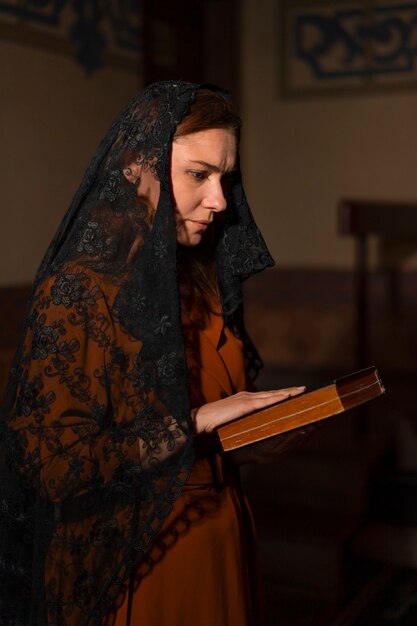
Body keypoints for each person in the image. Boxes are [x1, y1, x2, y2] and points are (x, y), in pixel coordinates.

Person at [0, 81, 306, 626]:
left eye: (225, 179)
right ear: (135, 167)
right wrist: (193, 425)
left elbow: (205, 433)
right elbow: (57, 470)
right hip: (139, 559)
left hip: (222, 536)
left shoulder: (203, 284)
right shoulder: (79, 294)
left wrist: (244, 444)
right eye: (198, 174)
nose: (218, 201)